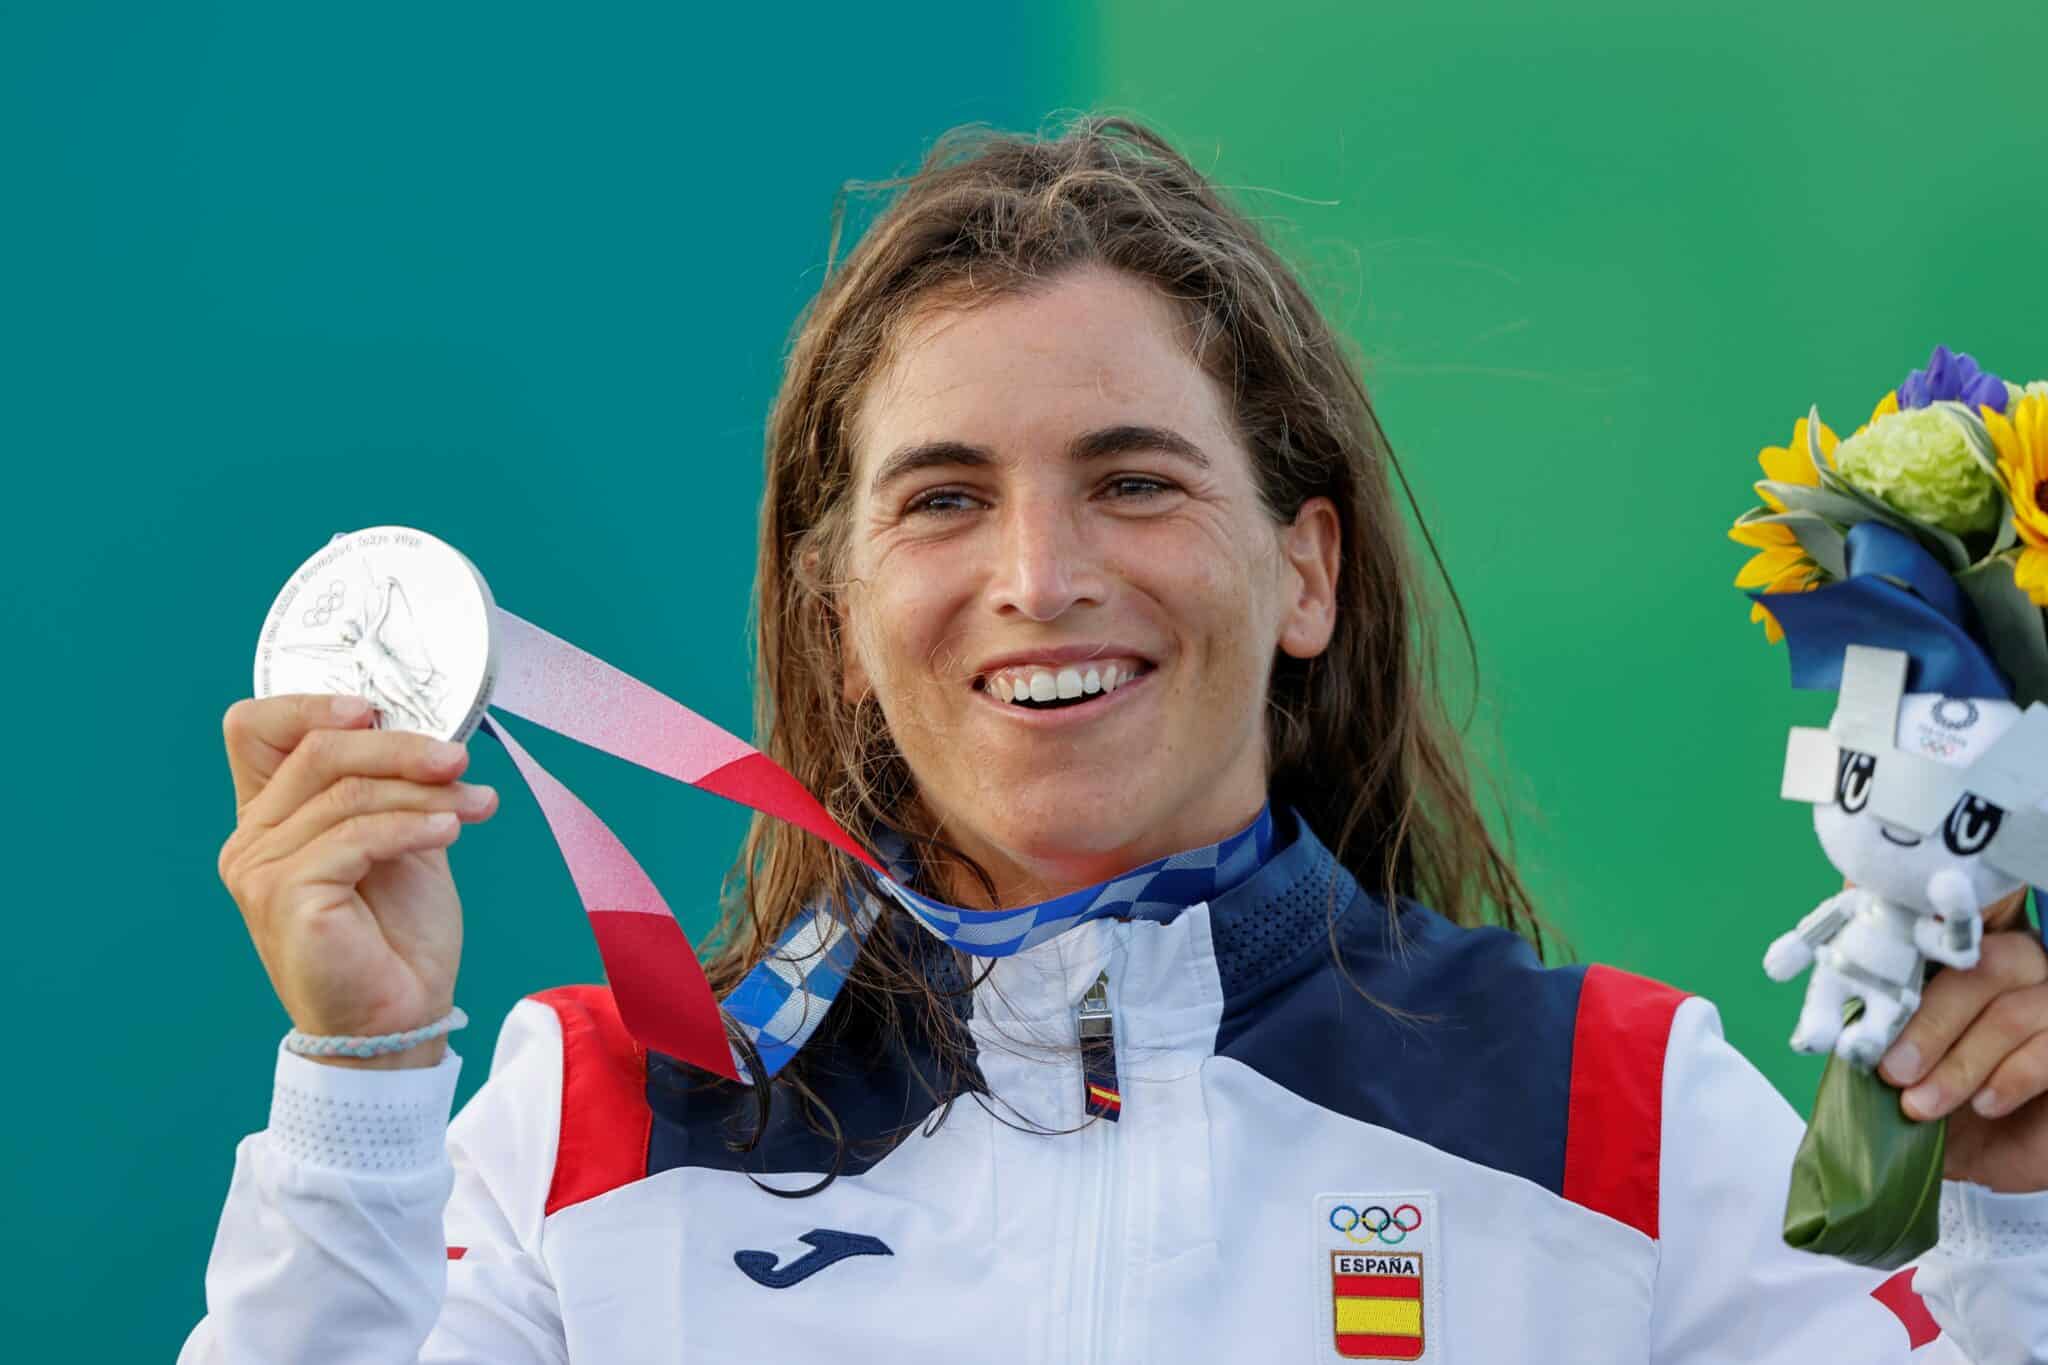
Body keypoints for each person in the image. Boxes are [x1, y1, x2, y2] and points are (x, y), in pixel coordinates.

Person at [182, 116, 2047, 1363]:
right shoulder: (590, 1118)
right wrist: (361, 1077)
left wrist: (2024, 1230)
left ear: (1301, 567)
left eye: (1133, 480)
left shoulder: (1618, 1114)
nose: (1040, 575)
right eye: (942, 501)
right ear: (839, 607)